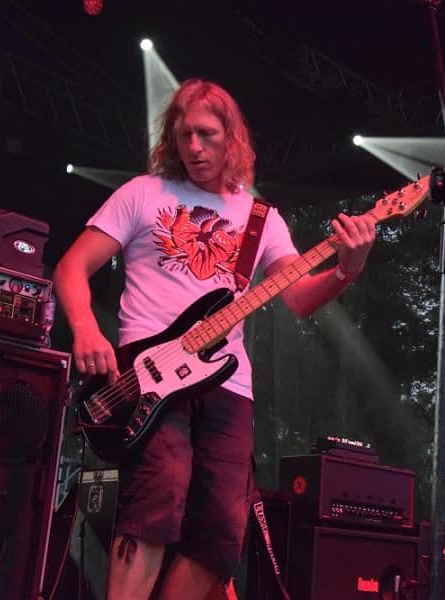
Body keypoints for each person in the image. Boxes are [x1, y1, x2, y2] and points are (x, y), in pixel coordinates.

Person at [53, 78, 376, 600]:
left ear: (232, 139)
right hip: (149, 375)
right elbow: (71, 267)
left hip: (228, 385)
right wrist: (87, 329)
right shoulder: (142, 193)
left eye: (207, 134)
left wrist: (347, 269)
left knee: (222, 534)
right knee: (155, 502)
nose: (195, 147)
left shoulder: (260, 219)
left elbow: (299, 298)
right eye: (185, 135)